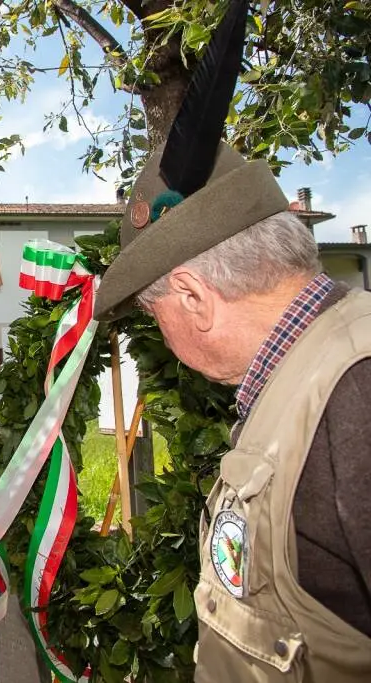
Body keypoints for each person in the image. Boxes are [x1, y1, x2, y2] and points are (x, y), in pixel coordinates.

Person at [93, 1, 371, 679]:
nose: (160, 330)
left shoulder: (357, 396)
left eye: (155, 312)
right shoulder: (309, 378)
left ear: (193, 296)